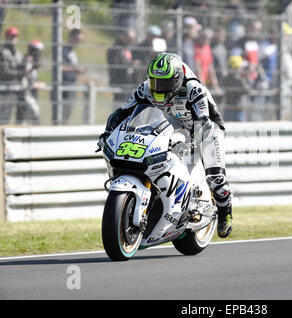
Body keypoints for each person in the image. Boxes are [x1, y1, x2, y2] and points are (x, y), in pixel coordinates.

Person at [97, 52, 233, 238]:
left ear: (177, 80)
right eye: (155, 82)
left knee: (215, 178)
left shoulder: (194, 89)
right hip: (174, 122)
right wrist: (107, 134)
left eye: (164, 84)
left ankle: (225, 212)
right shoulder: (145, 89)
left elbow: (203, 122)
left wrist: (192, 143)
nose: (158, 89)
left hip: (207, 128)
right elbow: (120, 113)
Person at [107, 28, 139, 108]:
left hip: (129, 82)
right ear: (124, 37)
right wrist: (131, 64)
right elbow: (116, 64)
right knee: (120, 104)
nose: (131, 42)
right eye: (129, 39)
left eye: (132, 40)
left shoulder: (127, 48)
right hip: (119, 81)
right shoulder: (115, 49)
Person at [17, 39, 46, 124]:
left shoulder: (34, 62)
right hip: (26, 93)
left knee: (28, 117)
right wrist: (34, 84)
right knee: (32, 116)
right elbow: (23, 77)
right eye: (38, 50)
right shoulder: (28, 60)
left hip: (31, 92)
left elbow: (32, 77)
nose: (40, 53)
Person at [0, 26, 24, 124]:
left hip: (14, 88)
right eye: (11, 36)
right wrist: (19, 73)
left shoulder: (17, 53)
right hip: (3, 89)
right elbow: (4, 71)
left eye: (15, 36)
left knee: (8, 116)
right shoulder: (2, 52)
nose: (13, 39)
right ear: (6, 37)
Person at [61, 28, 85, 124]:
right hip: (64, 87)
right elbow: (58, 68)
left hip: (71, 85)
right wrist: (75, 69)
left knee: (68, 113)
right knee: (61, 114)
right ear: (71, 37)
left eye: (80, 41)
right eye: (77, 40)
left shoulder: (72, 52)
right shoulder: (63, 50)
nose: (78, 43)